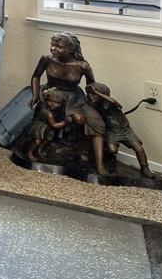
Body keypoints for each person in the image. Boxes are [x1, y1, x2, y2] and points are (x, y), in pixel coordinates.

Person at [30, 32, 106, 175]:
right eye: (52, 45)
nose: (53, 49)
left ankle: (100, 165)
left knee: (96, 121)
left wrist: (95, 99)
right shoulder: (46, 59)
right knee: (64, 118)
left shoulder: (83, 65)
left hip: (75, 97)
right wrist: (35, 95)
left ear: (71, 49)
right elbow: (35, 77)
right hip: (51, 95)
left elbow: (91, 85)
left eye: (59, 47)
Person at [88, 82, 152, 177]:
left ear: (102, 95)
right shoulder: (95, 105)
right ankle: (110, 160)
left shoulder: (111, 104)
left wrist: (97, 93)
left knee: (138, 148)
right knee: (112, 150)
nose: (91, 96)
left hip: (125, 130)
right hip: (112, 131)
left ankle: (145, 168)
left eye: (93, 94)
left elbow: (114, 102)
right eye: (89, 94)